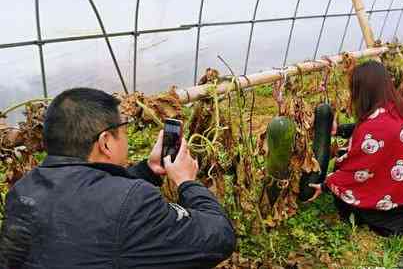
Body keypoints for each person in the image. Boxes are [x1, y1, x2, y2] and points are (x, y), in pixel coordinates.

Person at [0, 88, 235, 269]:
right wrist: (187, 182)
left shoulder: (22, 191)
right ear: (105, 142)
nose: (126, 139)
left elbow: (88, 199)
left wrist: (148, 169)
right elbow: (219, 237)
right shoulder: (134, 202)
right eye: (123, 131)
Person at [309, 60, 403, 237]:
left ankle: (396, 221)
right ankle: (395, 212)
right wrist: (341, 130)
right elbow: (377, 132)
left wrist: (326, 185)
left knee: (346, 205)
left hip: (396, 199)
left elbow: (356, 171)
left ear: (363, 91)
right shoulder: (401, 107)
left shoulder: (374, 127)